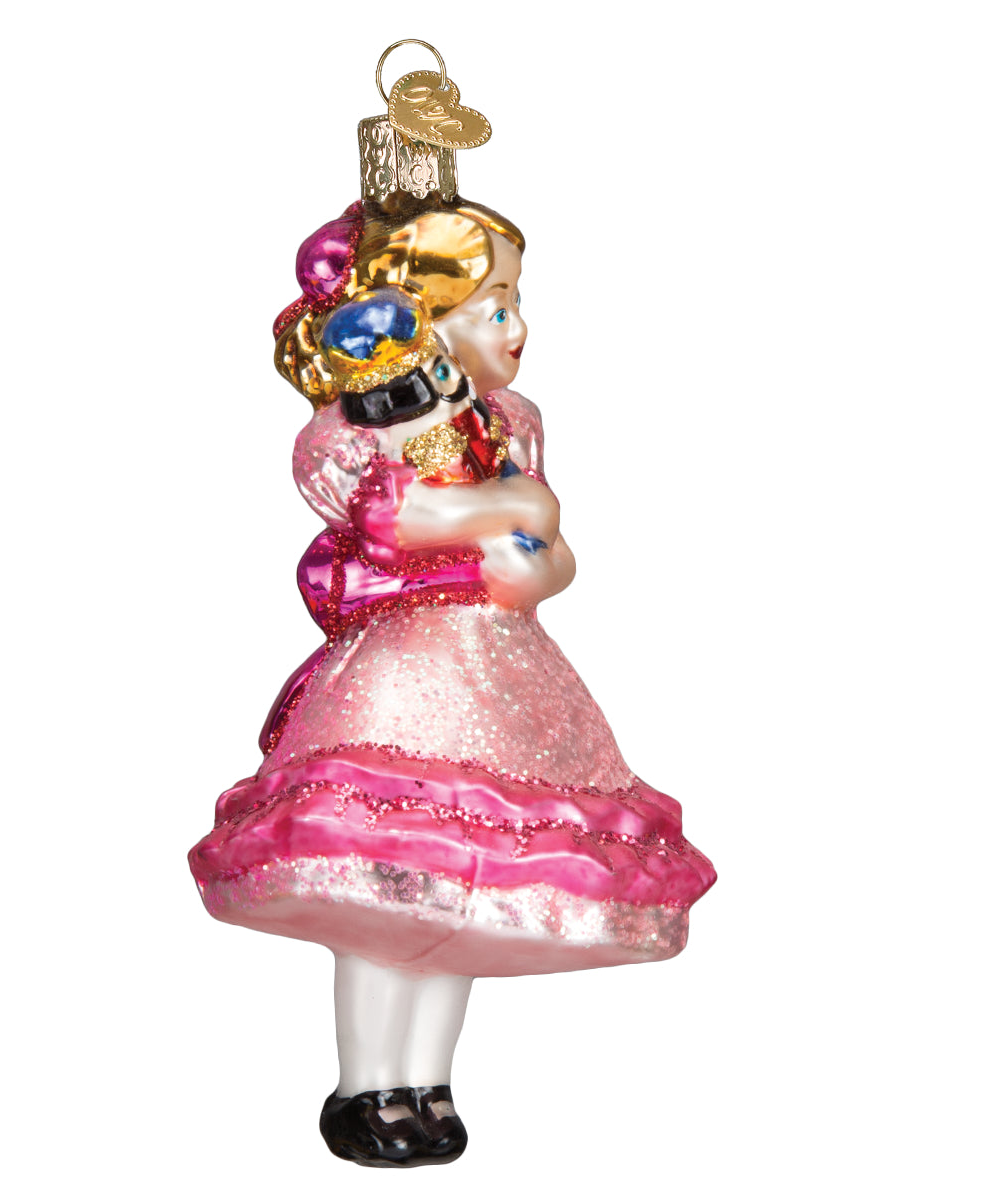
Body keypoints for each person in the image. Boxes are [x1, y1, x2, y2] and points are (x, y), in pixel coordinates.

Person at [189, 199, 715, 1168]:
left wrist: (533, 557)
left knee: (463, 890)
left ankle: (426, 1082)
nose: (517, 328)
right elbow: (394, 524)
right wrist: (512, 506)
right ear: (420, 325)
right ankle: (366, 1085)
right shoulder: (359, 428)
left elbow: (549, 558)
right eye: (495, 306)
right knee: (386, 886)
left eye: (516, 303)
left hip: (506, 670)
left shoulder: (514, 421)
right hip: (404, 671)